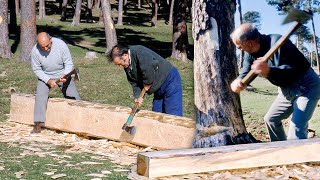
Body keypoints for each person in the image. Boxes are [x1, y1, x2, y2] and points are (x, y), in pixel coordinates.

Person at [230, 23, 320, 141]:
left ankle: (296, 158)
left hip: (307, 86)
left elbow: (292, 73)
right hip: (287, 90)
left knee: (296, 130)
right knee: (271, 119)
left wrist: (269, 71)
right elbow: (246, 73)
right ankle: (280, 150)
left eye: (239, 46)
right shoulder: (250, 54)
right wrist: (238, 81)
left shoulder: (278, 42)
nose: (240, 50)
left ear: (249, 42)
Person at [109, 44, 183, 116]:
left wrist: (147, 83)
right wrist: (138, 96)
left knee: (173, 114)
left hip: (169, 80)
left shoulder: (139, 52)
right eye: (118, 65)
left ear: (125, 55)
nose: (121, 66)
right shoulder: (127, 66)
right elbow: (134, 83)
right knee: (157, 114)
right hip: (157, 87)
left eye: (121, 63)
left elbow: (149, 68)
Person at [31, 32, 80, 133]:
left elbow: (68, 63)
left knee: (74, 97)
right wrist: (48, 80)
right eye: (42, 47)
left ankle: (79, 121)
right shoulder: (35, 51)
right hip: (45, 75)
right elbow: (37, 70)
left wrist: (65, 74)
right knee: (40, 96)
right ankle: (38, 123)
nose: (45, 49)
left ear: (51, 40)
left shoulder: (61, 45)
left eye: (47, 45)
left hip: (62, 74)